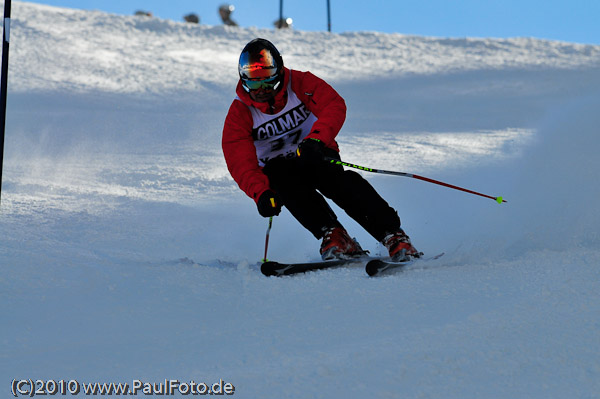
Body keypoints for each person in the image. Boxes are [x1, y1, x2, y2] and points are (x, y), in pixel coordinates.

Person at [222, 38, 420, 261]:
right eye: (254, 84)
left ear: (278, 73)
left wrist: (317, 140)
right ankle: (335, 235)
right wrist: (261, 193)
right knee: (279, 177)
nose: (261, 90)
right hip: (280, 171)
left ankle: (393, 235)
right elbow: (239, 161)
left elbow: (333, 105)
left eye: (267, 82)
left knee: (338, 181)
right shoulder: (240, 114)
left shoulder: (300, 83)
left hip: (313, 153)